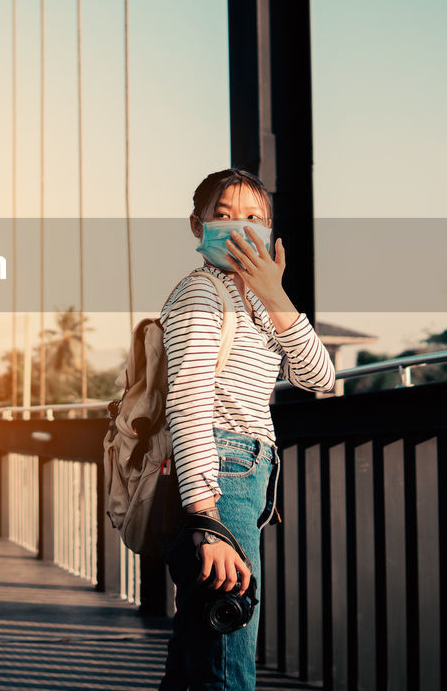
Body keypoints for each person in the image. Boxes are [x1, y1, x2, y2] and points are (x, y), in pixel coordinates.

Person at [157, 168, 336, 691]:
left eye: (254, 218)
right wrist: (207, 521)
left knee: (199, 651)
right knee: (228, 656)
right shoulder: (200, 294)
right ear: (197, 225)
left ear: (271, 229)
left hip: (242, 477)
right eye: (223, 215)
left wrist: (276, 294)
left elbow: (319, 378)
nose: (239, 227)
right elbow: (188, 406)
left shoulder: (256, 302)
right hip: (221, 479)